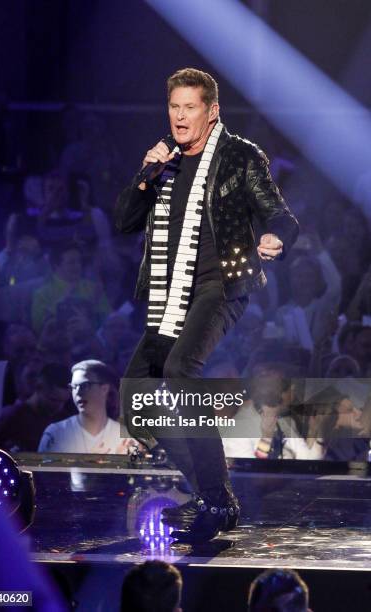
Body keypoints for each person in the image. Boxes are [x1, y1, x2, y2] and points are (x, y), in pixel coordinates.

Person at [116, 68, 299, 543]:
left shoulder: (239, 157)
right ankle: (213, 494)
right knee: (137, 401)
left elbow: (278, 212)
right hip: (170, 291)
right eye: (174, 107)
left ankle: (217, 500)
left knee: (180, 370)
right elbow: (124, 222)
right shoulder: (165, 163)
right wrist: (144, 176)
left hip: (222, 286)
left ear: (211, 110)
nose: (179, 117)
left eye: (189, 107)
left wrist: (276, 235)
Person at [38, 359, 133, 454]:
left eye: (85, 385)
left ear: (104, 389)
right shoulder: (56, 434)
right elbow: (43, 468)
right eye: (74, 387)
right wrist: (88, 463)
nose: (78, 393)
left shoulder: (125, 438)